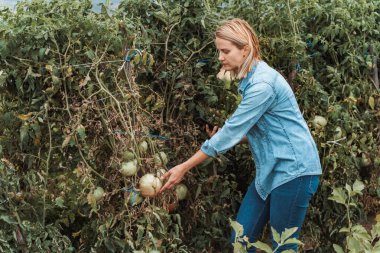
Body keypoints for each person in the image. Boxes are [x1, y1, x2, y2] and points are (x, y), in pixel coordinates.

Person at [159, 18, 322, 252]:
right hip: (270, 171)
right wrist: (237, 137)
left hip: (294, 172)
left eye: (225, 51)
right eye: (218, 51)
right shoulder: (252, 79)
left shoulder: (262, 85)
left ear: (245, 49)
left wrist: (183, 167)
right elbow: (263, 131)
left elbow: (231, 132)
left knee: (283, 246)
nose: (220, 57)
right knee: (240, 240)